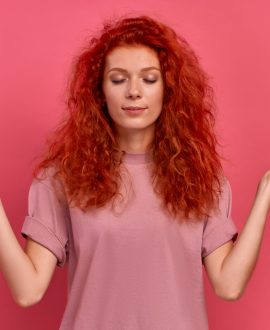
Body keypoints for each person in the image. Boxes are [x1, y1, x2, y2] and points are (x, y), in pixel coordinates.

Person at [0, 14, 270, 330]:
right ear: (99, 91)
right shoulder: (63, 178)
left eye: (149, 78)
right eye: (118, 79)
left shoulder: (201, 178)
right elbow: (28, 291)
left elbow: (229, 285)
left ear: (169, 89)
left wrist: (266, 191)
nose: (134, 92)